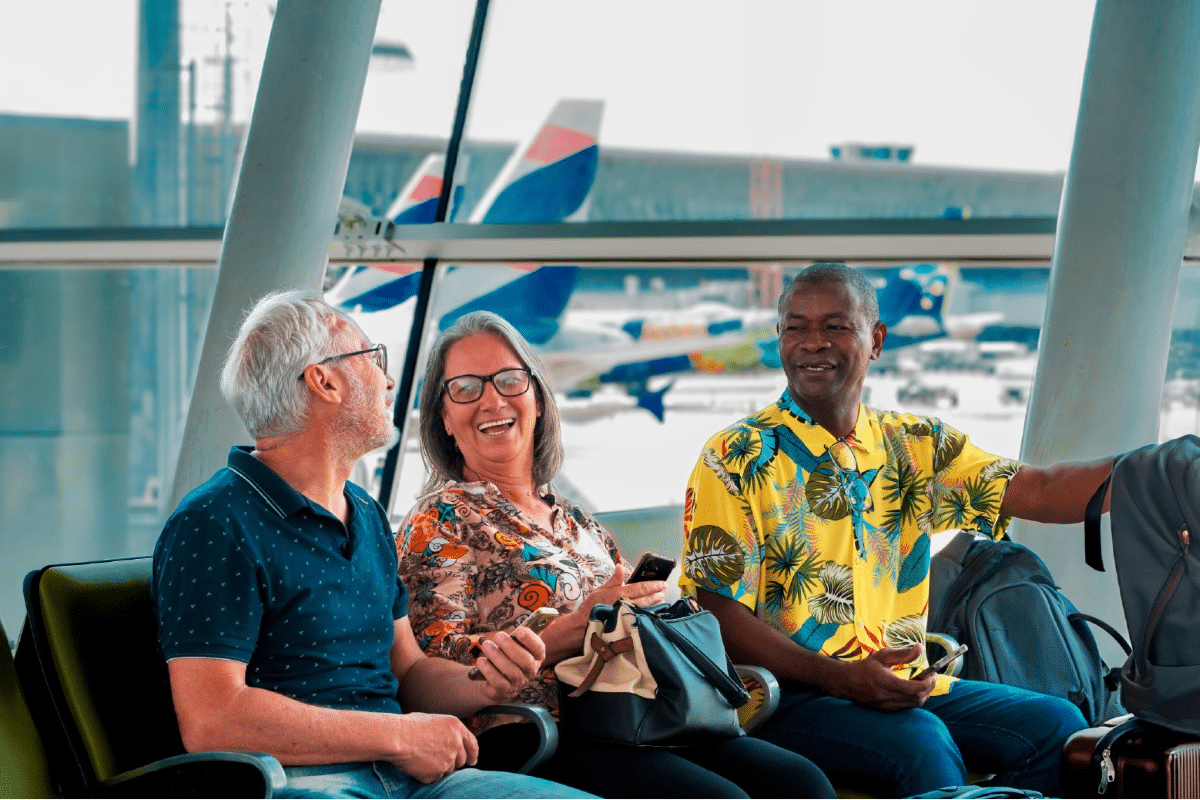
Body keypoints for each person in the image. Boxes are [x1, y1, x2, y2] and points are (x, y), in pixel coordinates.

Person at [680, 262, 1110, 798]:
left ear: (876, 340)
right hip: (781, 695)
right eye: (796, 327)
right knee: (921, 741)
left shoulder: (914, 444)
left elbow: (1039, 490)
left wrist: (1154, 472)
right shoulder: (735, 455)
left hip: (900, 685)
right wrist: (840, 678)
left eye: (835, 326)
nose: (813, 343)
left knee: (1056, 726)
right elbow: (716, 613)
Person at [152, 291, 590, 799]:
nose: (388, 381)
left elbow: (409, 673)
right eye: (371, 357)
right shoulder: (215, 521)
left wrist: (483, 682)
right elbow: (213, 719)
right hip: (306, 784)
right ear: (325, 381)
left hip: (408, 779)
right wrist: (400, 736)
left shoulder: (364, 512)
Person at [397, 310, 836, 799]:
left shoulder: (576, 520)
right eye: (465, 389)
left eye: (509, 380)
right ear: (444, 418)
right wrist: (571, 630)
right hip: (539, 731)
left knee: (801, 783)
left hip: (640, 713)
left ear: (537, 399)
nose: (492, 399)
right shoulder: (440, 520)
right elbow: (430, 664)